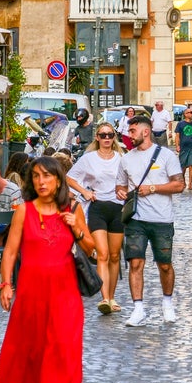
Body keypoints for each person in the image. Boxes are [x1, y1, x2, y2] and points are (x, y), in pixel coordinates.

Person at [0, 157, 95, 383]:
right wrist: (6, 284)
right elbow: (10, 251)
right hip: (31, 293)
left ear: (59, 180)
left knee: (63, 350)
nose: (41, 182)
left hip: (65, 294)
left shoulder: (72, 208)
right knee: (35, 350)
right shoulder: (23, 211)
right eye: (36, 176)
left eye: (47, 176)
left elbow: (92, 248)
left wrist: (76, 227)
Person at [116, 114, 185, 327]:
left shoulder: (166, 156)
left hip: (162, 219)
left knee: (164, 265)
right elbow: (120, 185)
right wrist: (120, 192)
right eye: (129, 131)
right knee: (135, 262)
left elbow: (179, 185)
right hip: (135, 218)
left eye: (133, 131)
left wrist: (153, 188)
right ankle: (138, 309)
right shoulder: (126, 158)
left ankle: (167, 303)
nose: (129, 135)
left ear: (145, 132)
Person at [66, 123, 124, 313]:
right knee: (103, 254)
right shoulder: (89, 159)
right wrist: (84, 192)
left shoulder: (121, 157)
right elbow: (69, 178)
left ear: (114, 137)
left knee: (115, 256)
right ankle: (104, 298)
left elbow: (130, 179)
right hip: (97, 207)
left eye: (110, 134)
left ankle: (112, 297)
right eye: (103, 135)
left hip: (118, 208)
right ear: (97, 137)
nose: (107, 138)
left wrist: (125, 191)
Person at [176, 107, 192, 191]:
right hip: (183, 147)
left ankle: (190, 183)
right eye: (190, 112)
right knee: (183, 167)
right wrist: (177, 146)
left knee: (191, 166)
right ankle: (183, 181)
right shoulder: (180, 124)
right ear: (185, 114)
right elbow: (177, 136)